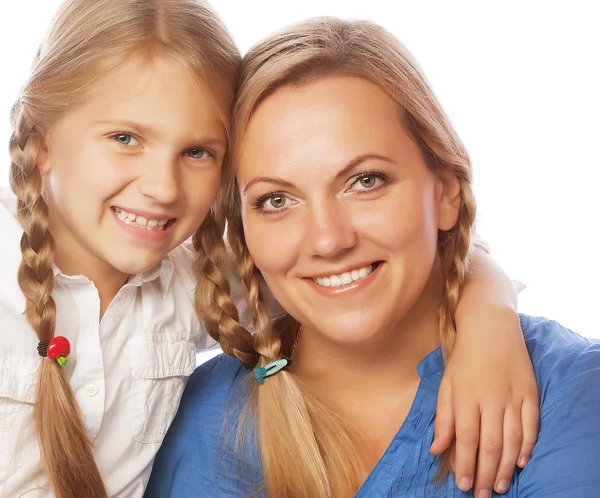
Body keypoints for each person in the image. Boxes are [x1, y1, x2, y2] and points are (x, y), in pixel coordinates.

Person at [0, 2, 536, 497]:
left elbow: (413, 250)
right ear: (43, 141)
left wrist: (490, 322)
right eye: (124, 139)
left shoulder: (196, 283)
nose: (163, 186)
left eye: (197, 151)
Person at [146, 17, 600, 498]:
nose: (327, 240)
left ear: (445, 192)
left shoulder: (570, 396)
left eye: (366, 181)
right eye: (276, 200)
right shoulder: (193, 420)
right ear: (242, 230)